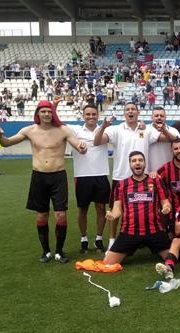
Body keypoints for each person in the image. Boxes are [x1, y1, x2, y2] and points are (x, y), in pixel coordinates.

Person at [0, 100, 87, 263]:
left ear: (53, 113)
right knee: (42, 216)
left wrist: (82, 147)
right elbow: (7, 143)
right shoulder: (29, 130)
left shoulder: (62, 130)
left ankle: (59, 251)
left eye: (49, 111)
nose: (46, 114)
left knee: (61, 215)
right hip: (39, 177)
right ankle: (46, 251)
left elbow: (78, 145)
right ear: (37, 113)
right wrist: (0, 136)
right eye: (43, 111)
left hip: (58, 176)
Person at [94, 102, 177, 250]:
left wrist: (162, 127)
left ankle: (150, 239)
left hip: (143, 178)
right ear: (124, 113)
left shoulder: (147, 130)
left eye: (133, 109)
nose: (130, 112)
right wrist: (103, 127)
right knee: (115, 211)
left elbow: (172, 139)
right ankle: (112, 241)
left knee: (146, 209)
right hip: (120, 177)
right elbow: (97, 141)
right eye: (127, 110)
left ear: (138, 113)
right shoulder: (116, 129)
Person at [103, 151, 172, 265]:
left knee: (173, 258)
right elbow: (117, 209)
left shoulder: (155, 180)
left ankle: (155, 248)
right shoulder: (122, 184)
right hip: (129, 231)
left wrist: (166, 207)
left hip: (154, 231)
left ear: (144, 163)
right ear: (130, 164)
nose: (137, 163)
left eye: (140, 160)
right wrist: (113, 215)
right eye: (134, 161)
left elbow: (166, 202)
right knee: (108, 263)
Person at [66, 105, 110, 253]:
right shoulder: (75, 130)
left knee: (100, 208)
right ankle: (83, 239)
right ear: (83, 116)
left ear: (98, 115)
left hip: (101, 174)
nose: (91, 116)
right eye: (88, 114)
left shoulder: (105, 129)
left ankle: (98, 239)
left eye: (93, 114)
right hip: (82, 175)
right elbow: (57, 123)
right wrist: (55, 106)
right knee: (82, 209)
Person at [148, 106, 180, 174]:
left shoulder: (173, 130)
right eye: (156, 116)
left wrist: (165, 131)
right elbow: (176, 139)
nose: (159, 117)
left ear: (165, 117)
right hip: (151, 172)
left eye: (161, 116)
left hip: (170, 171)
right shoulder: (146, 130)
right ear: (151, 117)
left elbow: (179, 143)